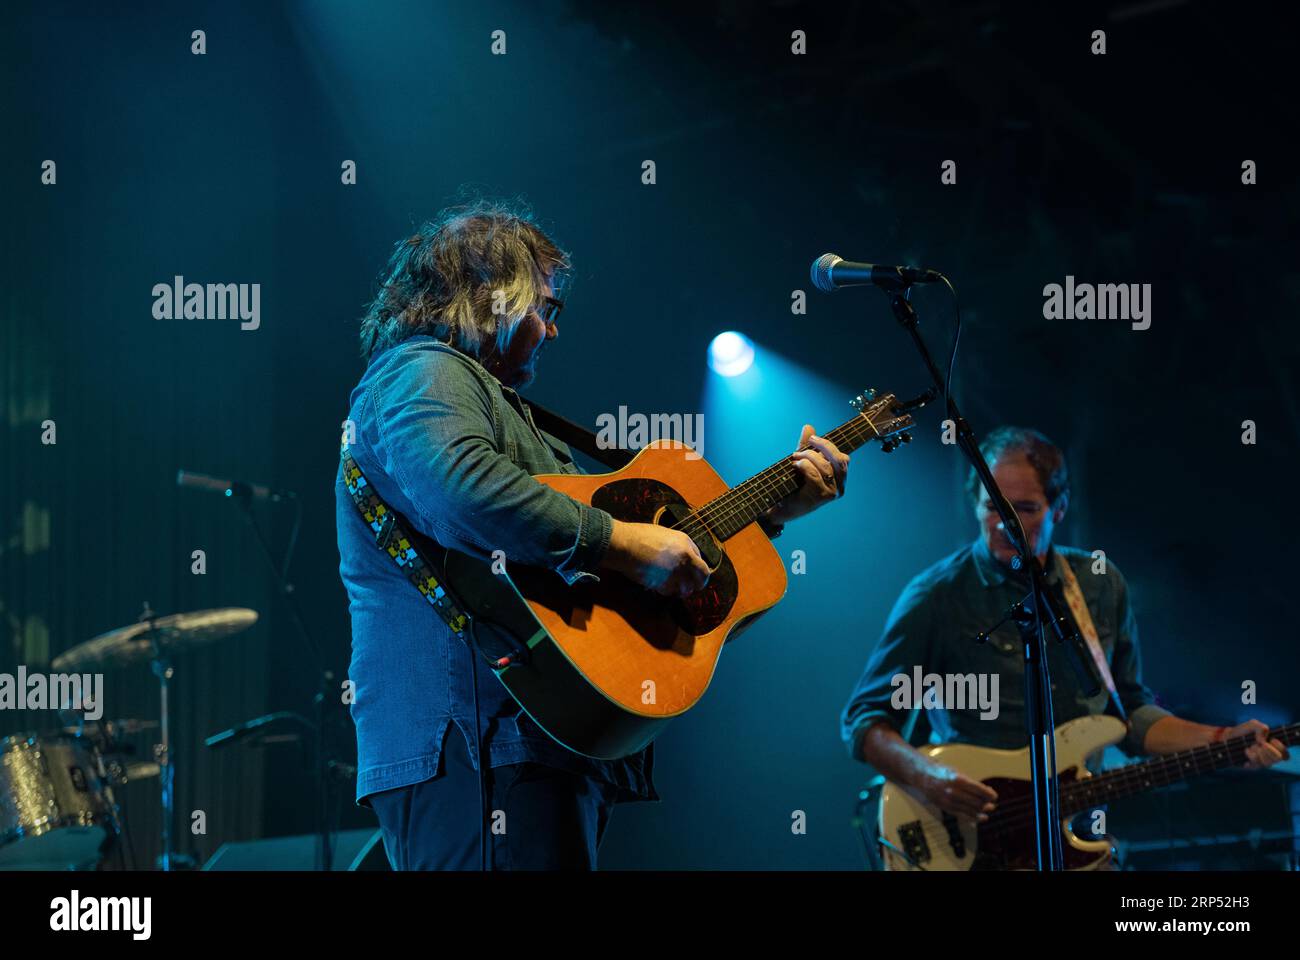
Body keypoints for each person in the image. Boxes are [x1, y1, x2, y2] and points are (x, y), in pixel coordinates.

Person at [336, 200, 849, 869]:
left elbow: (601, 565)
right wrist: (624, 543)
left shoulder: (498, 405)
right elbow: (459, 487)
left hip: (524, 738)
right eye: (545, 307)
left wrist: (772, 513)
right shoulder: (422, 370)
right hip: (474, 739)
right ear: (489, 298)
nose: (552, 331)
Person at [840, 426, 1288, 864]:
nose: (1004, 524)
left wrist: (1224, 739)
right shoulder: (936, 594)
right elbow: (865, 720)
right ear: (974, 503)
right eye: (992, 507)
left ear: (1059, 509)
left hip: (1075, 837)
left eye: (1025, 509)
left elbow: (1129, 713)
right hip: (973, 847)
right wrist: (929, 776)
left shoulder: (1097, 583)